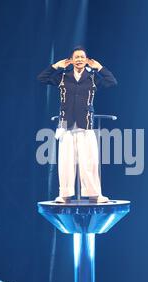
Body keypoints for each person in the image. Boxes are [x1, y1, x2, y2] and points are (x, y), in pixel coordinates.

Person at [37, 46, 117, 203]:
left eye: (82, 57)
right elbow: (42, 78)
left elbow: (112, 82)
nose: (79, 59)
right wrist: (55, 66)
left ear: (86, 60)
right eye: (76, 57)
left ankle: (95, 194)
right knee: (66, 162)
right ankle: (65, 195)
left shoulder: (92, 77)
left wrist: (99, 67)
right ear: (71, 60)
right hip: (66, 124)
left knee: (89, 161)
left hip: (85, 124)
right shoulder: (63, 76)